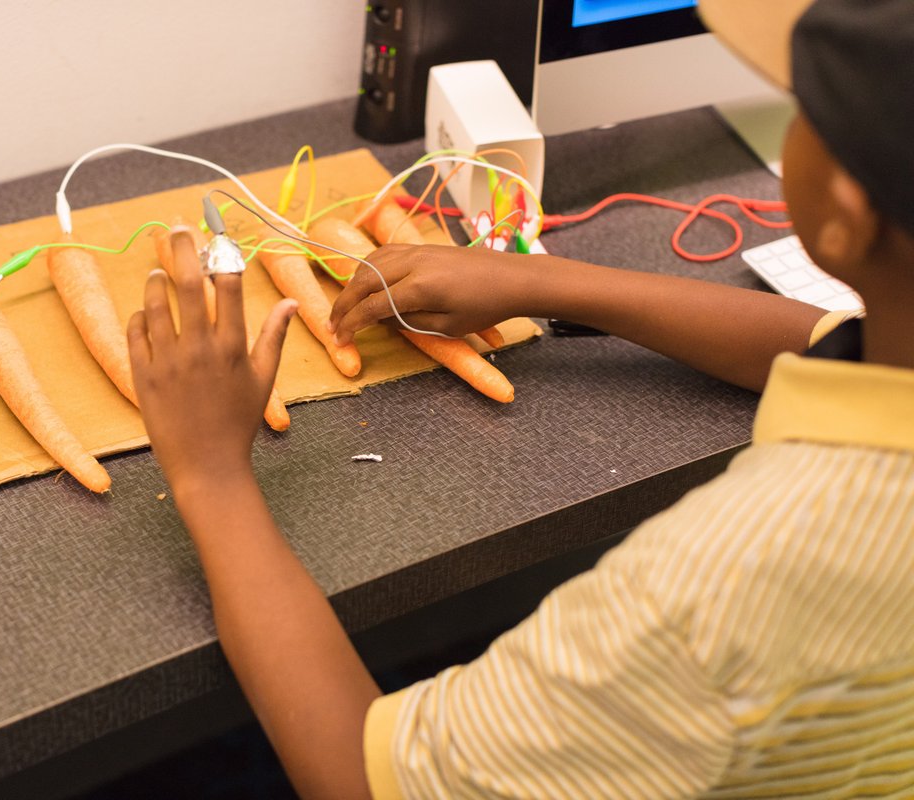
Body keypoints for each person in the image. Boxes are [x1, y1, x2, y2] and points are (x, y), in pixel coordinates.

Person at [126, 0, 914, 796]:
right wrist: (538, 279)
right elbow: (821, 334)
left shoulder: (717, 593)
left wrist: (210, 475)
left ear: (848, 213)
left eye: (800, 103)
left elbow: (358, 781)